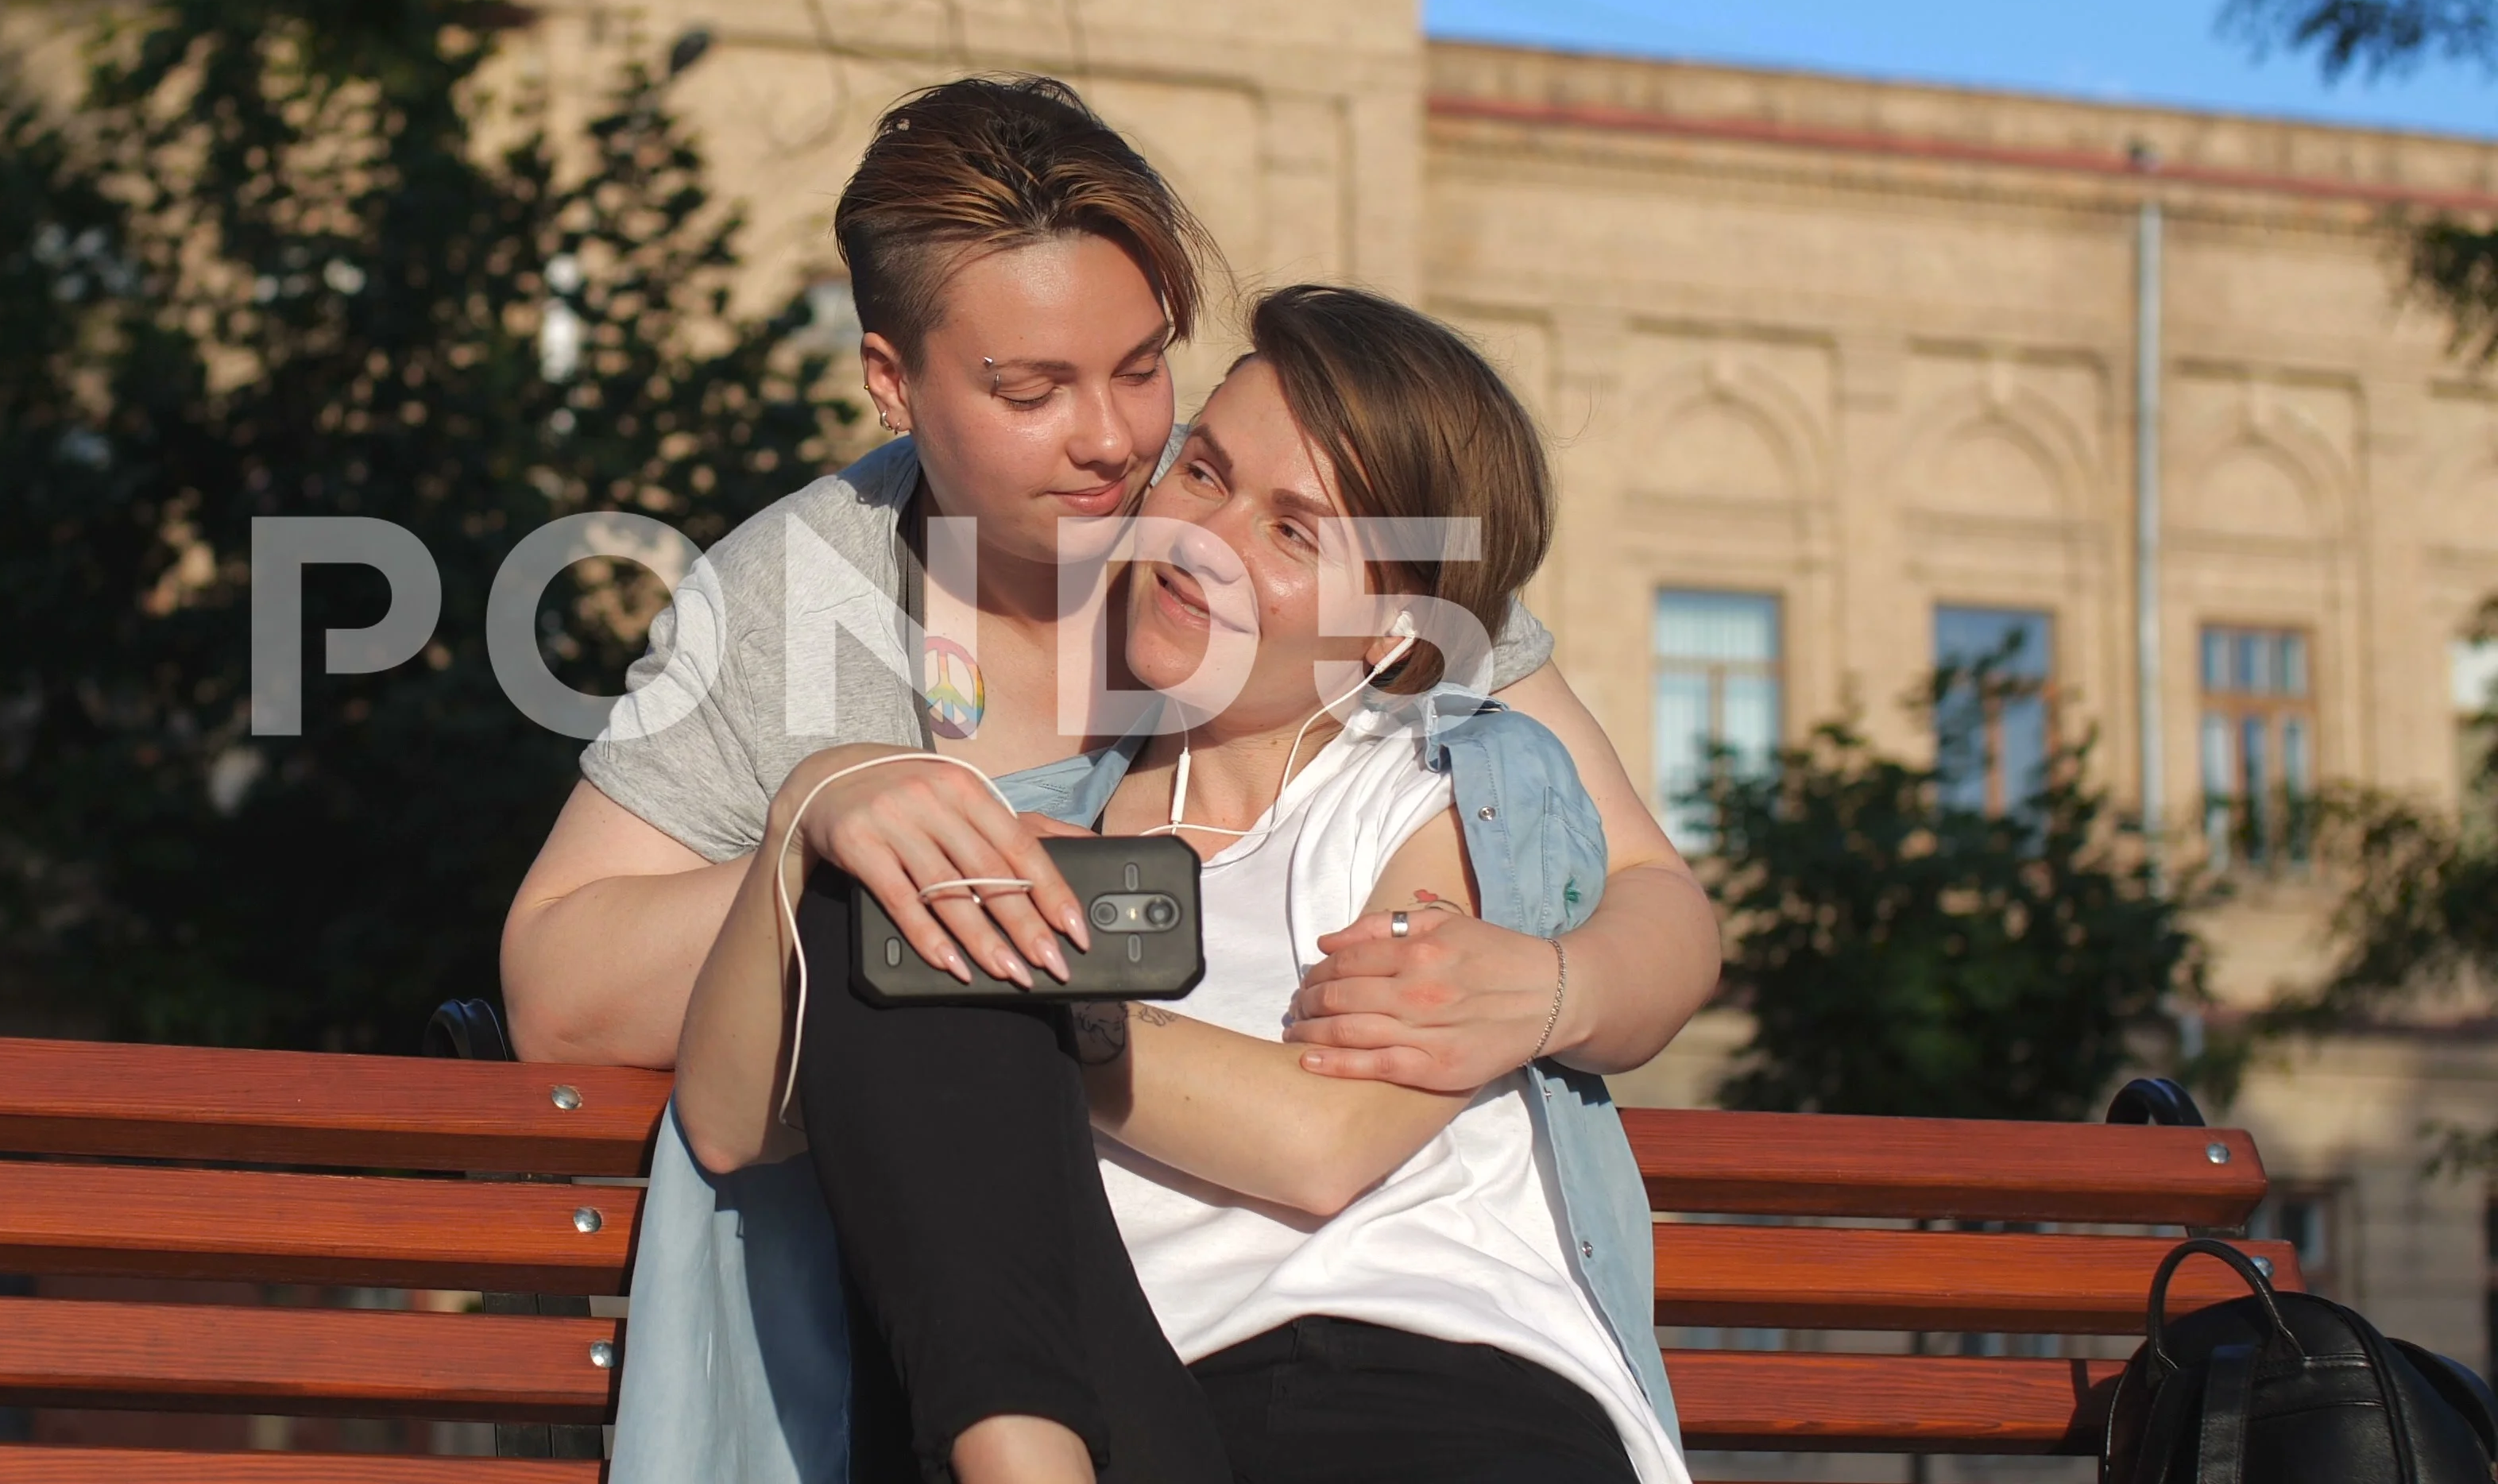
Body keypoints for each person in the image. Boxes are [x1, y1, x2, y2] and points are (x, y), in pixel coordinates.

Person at [502, 74, 1714, 1095]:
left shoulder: (1263, 507)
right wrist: (812, 846)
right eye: (1032, 393)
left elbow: (1652, 893)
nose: (1112, 441)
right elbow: (555, 998)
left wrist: (1563, 988)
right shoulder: (791, 592)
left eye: (1141, 369)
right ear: (891, 380)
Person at [673, 287, 1688, 1484]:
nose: (1204, 541)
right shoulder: (1015, 834)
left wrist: (1032, 1007)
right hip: (1137, 1405)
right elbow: (734, 1126)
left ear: (1390, 629)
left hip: (1438, 1390)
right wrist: (809, 813)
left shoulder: (1439, 787)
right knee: (893, 880)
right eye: (1203, 474)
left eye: (1295, 532)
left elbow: (1324, 1142)